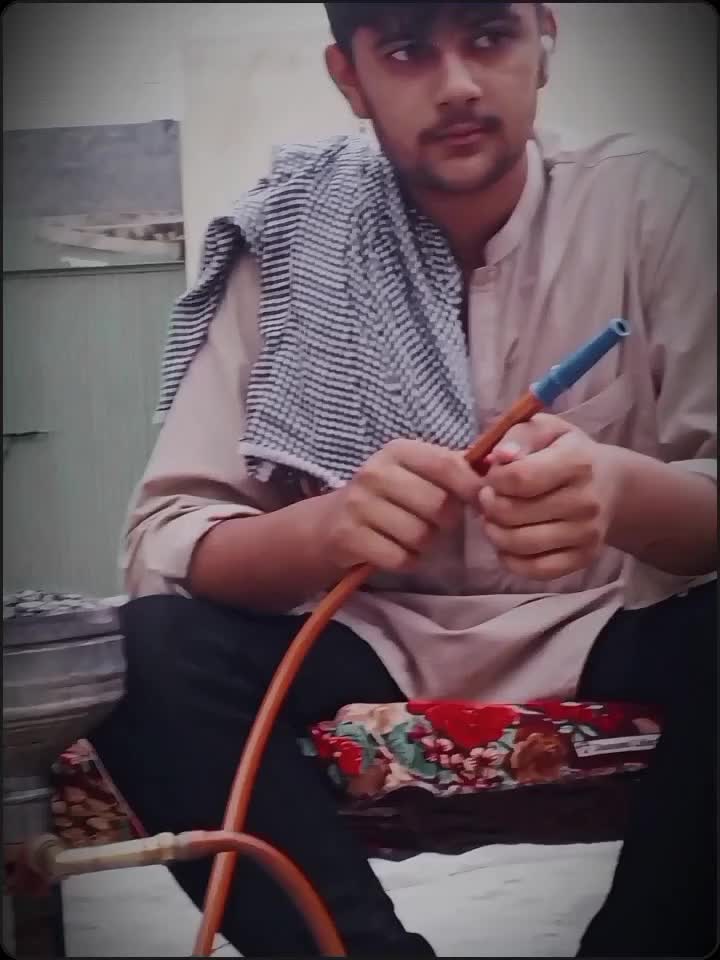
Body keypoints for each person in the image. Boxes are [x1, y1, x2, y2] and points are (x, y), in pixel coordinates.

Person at [91, 2, 717, 956]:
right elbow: (167, 537)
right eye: (408, 50)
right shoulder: (292, 238)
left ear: (544, 41)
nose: (457, 84)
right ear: (350, 77)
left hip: (611, 616)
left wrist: (620, 494)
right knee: (144, 650)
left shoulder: (654, 204)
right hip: (371, 632)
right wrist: (327, 529)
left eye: (489, 38)